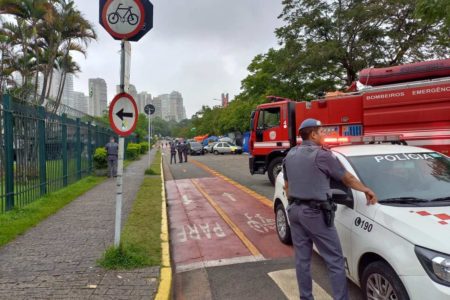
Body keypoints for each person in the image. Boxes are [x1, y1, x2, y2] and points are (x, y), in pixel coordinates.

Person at [283, 118, 378, 300]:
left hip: (294, 210)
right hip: (315, 213)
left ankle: (306, 297)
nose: (324, 135)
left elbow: (287, 186)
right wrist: (366, 189)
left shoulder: (291, 154)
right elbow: (347, 179)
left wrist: (295, 205)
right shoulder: (322, 155)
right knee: (334, 261)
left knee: (302, 260)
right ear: (313, 134)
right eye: (322, 132)